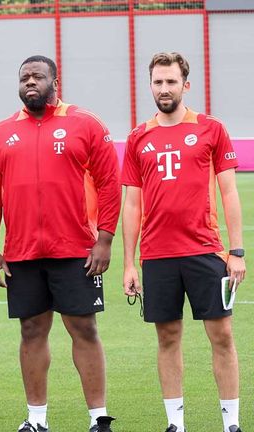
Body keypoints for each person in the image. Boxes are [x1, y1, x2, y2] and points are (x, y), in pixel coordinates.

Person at [0, 55, 120, 432]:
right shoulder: (1, 132)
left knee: (84, 329)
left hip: (75, 250)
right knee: (31, 330)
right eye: (24, 77)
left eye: (38, 76)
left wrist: (104, 239)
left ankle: (98, 417)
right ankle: (36, 419)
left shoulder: (84, 123)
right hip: (22, 253)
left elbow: (110, 182)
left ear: (54, 81)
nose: (30, 82)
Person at [122, 52, 244, 432]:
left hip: (205, 251)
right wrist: (129, 262)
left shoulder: (211, 129)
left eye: (171, 81)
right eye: (158, 82)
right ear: (150, 85)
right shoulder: (138, 137)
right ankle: (176, 423)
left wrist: (236, 251)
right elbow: (132, 203)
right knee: (168, 336)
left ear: (185, 85)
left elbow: (229, 193)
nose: (164, 88)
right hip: (157, 256)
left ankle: (232, 424)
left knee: (221, 335)